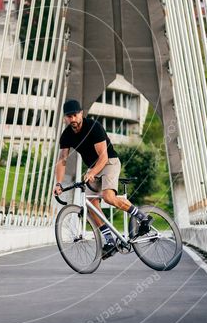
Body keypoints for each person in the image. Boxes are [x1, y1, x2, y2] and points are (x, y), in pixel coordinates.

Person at [53, 99, 151, 259]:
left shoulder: (93, 127)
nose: (73, 120)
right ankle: (109, 240)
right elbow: (62, 160)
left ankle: (142, 217)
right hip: (93, 168)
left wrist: (92, 173)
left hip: (109, 162)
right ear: (65, 118)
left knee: (108, 197)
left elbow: (103, 157)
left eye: (75, 115)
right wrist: (58, 183)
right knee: (91, 204)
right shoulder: (66, 135)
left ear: (81, 114)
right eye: (69, 117)